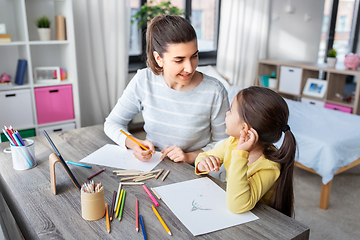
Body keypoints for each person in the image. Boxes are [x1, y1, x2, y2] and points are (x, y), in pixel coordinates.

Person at [104, 15, 229, 164]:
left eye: (194, 56)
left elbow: (224, 144)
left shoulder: (215, 91)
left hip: (194, 172)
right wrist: (134, 144)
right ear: (159, 59)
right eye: (179, 60)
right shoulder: (144, 80)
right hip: (153, 167)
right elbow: (112, 123)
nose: (189, 68)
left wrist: (190, 156)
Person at [195, 86, 296, 217]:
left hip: (261, 221)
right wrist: (202, 163)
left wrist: (241, 153)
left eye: (231, 111)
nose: (227, 113)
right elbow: (203, 156)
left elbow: (237, 206)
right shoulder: (233, 142)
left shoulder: (269, 167)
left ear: (244, 128)